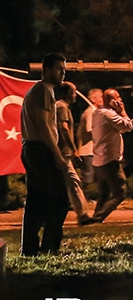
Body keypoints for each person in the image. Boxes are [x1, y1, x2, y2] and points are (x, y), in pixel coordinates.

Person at [20, 53, 69, 256]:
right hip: (40, 149)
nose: (62, 73)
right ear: (46, 69)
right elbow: (44, 126)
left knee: (36, 199)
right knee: (59, 199)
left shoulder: (42, 90)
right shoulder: (43, 90)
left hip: (33, 148)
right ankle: (49, 245)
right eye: (59, 68)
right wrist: (57, 155)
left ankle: (30, 248)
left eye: (64, 69)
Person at [89, 88, 133, 223]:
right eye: (118, 97)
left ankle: (96, 219)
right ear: (111, 101)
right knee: (120, 193)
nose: (120, 100)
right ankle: (98, 218)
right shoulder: (109, 115)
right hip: (109, 160)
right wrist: (123, 111)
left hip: (98, 160)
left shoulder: (97, 113)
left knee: (104, 193)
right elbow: (128, 126)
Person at [54, 81, 93, 225]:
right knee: (73, 181)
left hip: (59, 152)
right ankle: (82, 214)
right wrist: (72, 148)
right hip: (63, 153)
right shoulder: (62, 107)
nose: (75, 95)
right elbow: (63, 128)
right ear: (67, 93)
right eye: (74, 92)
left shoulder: (58, 106)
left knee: (63, 184)